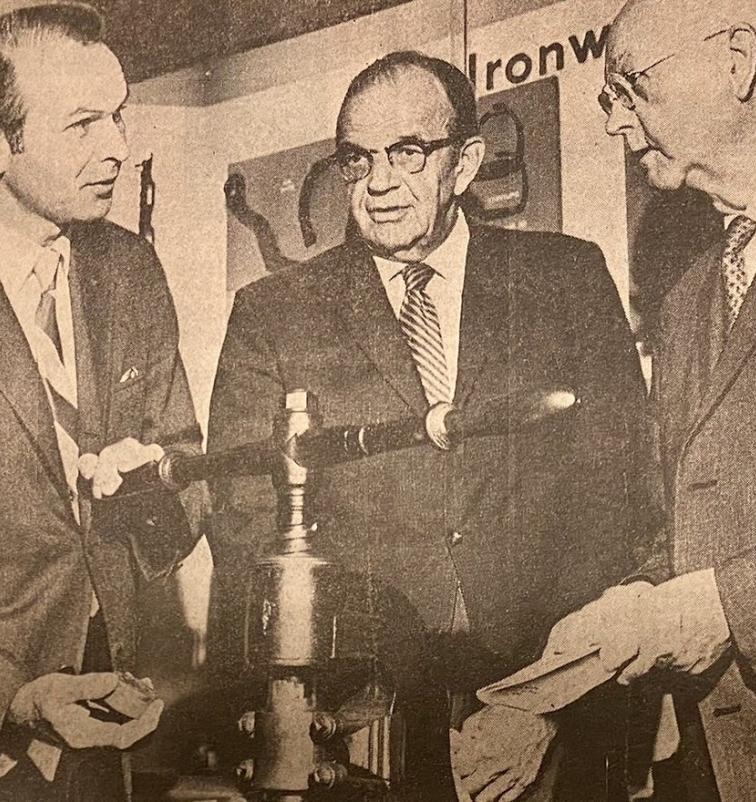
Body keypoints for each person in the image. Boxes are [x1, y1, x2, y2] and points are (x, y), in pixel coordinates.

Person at [207, 51, 653, 801]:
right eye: (356, 160)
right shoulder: (273, 314)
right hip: (357, 724)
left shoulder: (565, 278)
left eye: (408, 153)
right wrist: (354, 713)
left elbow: (617, 498)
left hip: (554, 703)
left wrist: (544, 701)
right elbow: (246, 523)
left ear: (466, 161)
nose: (379, 183)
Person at [472, 1, 756, 800]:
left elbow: (721, 590)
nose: (614, 120)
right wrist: (594, 642)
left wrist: (726, 605)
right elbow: (684, 531)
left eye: (630, 85)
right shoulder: (689, 300)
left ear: (738, 60)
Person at [0, 5, 203, 800]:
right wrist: (12, 696)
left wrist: (150, 498)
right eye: (82, 125)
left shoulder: (130, 272)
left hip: (109, 723)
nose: (117, 146)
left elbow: (190, 478)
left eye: (118, 115)